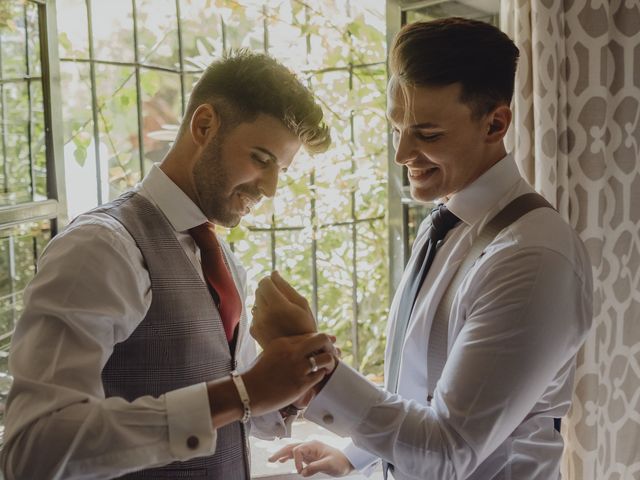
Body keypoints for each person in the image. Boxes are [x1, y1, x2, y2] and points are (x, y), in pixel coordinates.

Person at [251, 18, 593, 480]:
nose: (402, 154)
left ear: (496, 123)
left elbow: (449, 450)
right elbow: (423, 393)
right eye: (397, 130)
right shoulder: (444, 225)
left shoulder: (533, 258)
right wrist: (356, 455)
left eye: (427, 135)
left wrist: (317, 369)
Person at [0, 50, 336, 479]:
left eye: (281, 170)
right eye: (261, 158)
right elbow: (33, 451)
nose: (270, 188)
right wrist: (242, 393)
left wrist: (294, 383)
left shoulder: (223, 261)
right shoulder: (100, 248)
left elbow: (240, 407)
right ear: (204, 125)